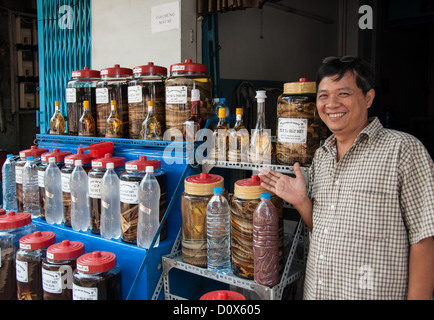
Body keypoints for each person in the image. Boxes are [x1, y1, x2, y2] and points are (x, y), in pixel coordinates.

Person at [259, 56, 434, 300]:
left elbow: (424, 238)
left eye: (343, 94)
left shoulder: (402, 151)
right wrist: (301, 202)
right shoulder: (321, 156)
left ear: (369, 98)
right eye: (323, 96)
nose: (331, 104)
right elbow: (325, 229)